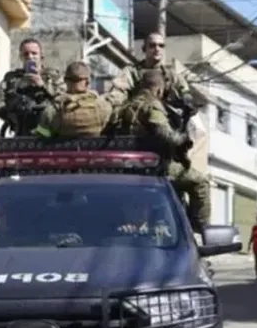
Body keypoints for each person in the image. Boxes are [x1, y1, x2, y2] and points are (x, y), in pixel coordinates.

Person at [120, 69, 210, 234]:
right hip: (155, 166)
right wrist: (184, 139)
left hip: (129, 163)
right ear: (159, 90)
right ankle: (198, 230)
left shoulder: (128, 105)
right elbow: (165, 134)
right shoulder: (152, 105)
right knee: (201, 182)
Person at [106, 32, 195, 126]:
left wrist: (188, 101)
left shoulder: (172, 75)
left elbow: (185, 92)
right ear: (145, 49)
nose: (157, 49)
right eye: (152, 45)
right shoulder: (131, 72)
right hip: (137, 122)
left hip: (165, 122)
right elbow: (118, 92)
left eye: (161, 46)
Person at [39, 62, 112, 138]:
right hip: (94, 149)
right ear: (88, 81)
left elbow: (42, 135)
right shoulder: (102, 105)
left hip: (64, 149)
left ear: (65, 80)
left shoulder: (53, 109)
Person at [0, 37, 65, 112]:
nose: (30, 57)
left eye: (34, 53)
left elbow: (64, 98)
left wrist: (43, 85)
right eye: (26, 54)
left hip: (46, 121)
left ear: (41, 56)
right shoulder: (11, 78)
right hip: (19, 121)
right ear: (21, 57)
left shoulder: (53, 76)